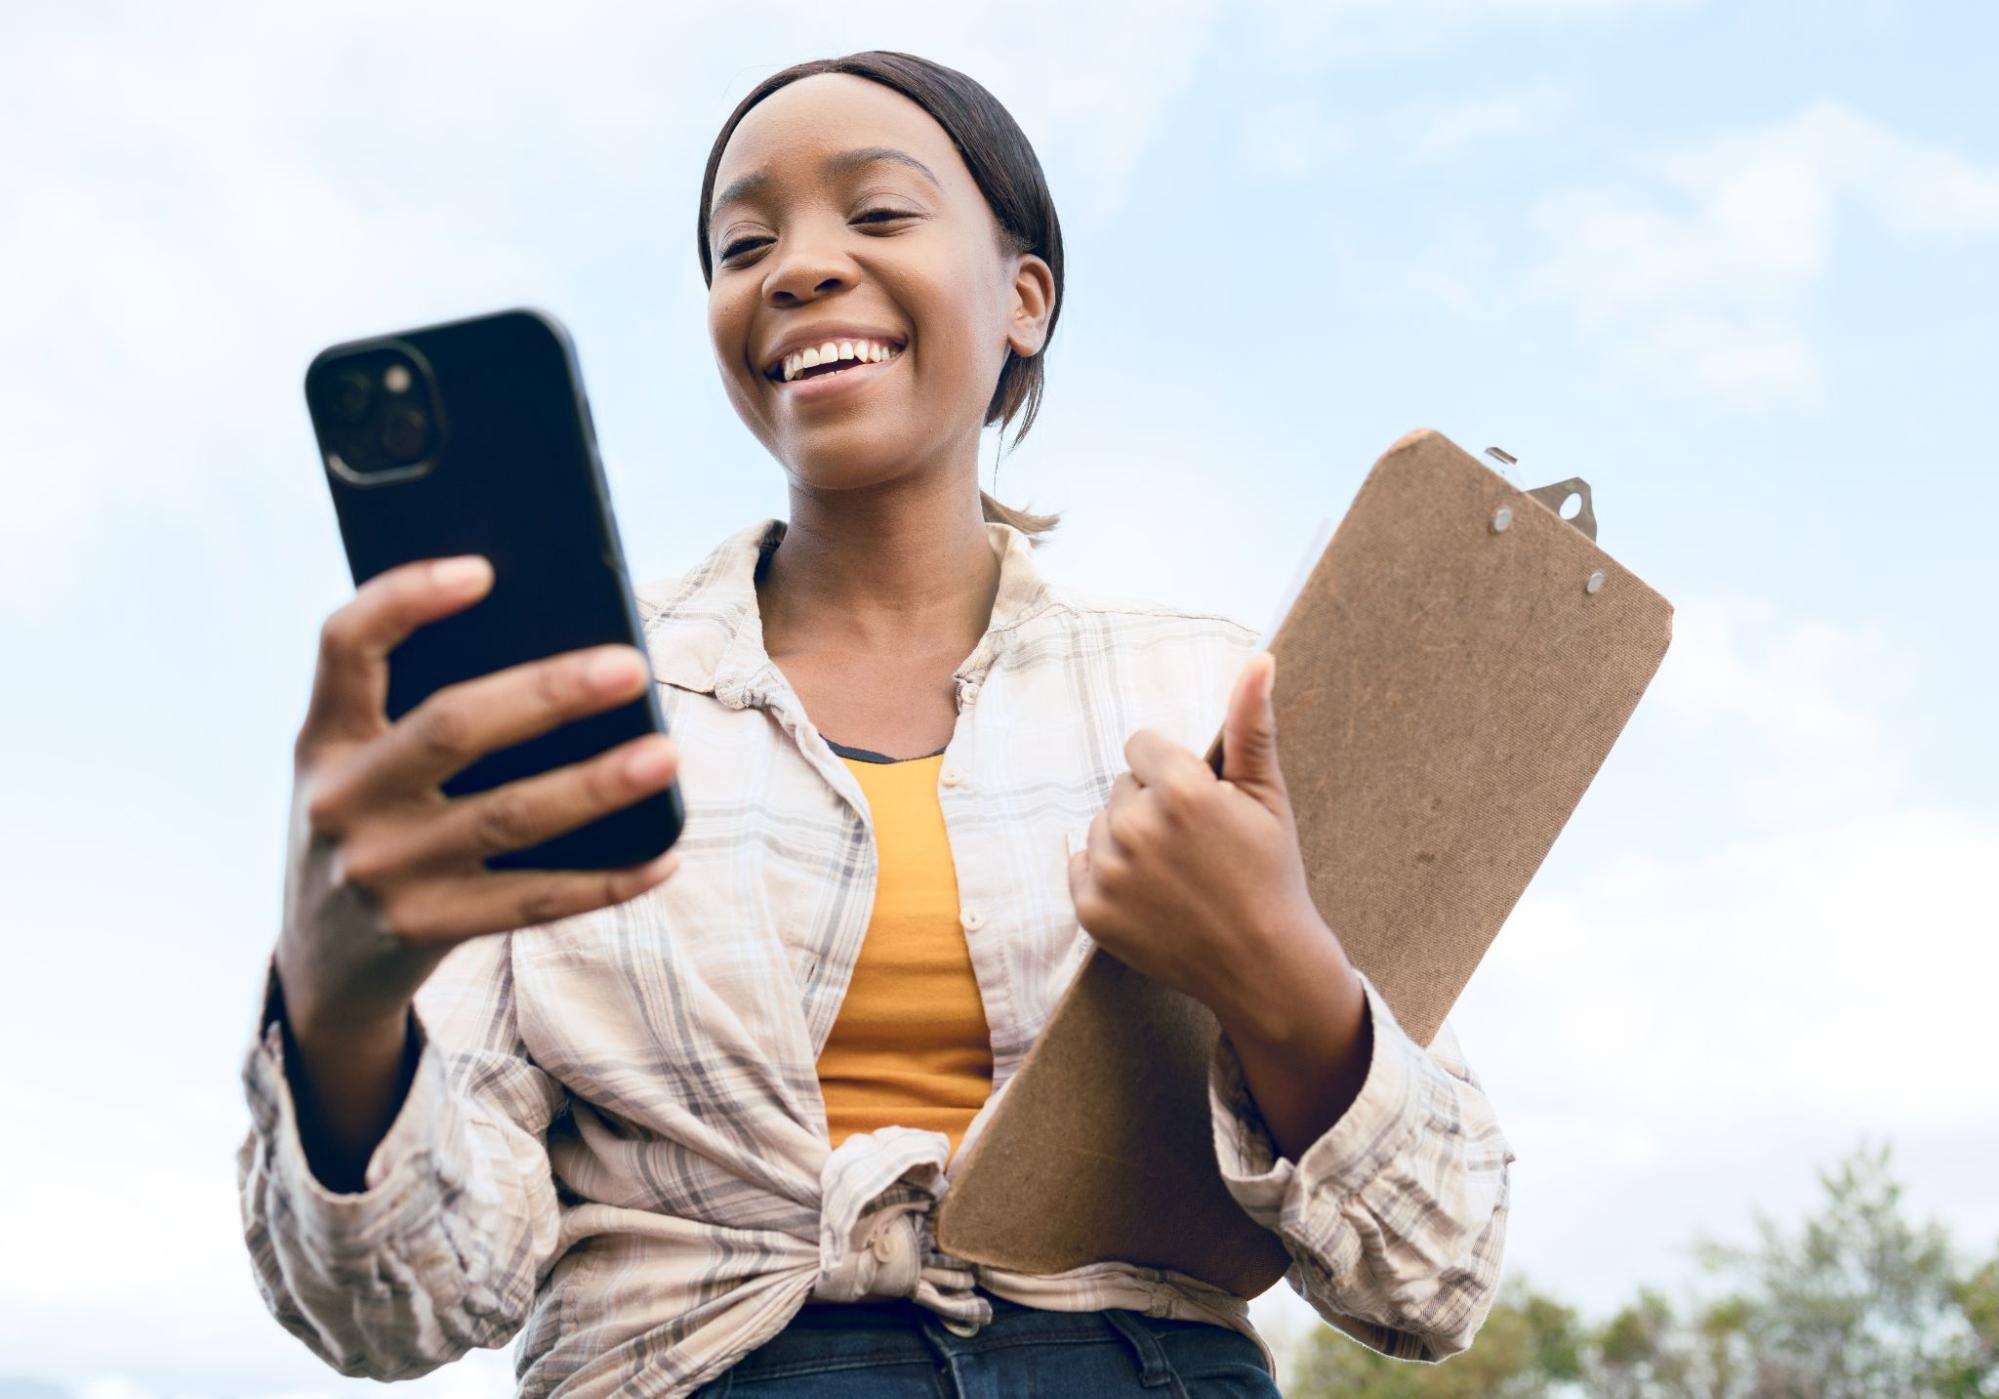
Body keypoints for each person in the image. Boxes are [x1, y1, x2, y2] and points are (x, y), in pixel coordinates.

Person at [237, 50, 1514, 1399]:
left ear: (1025, 298)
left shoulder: (1210, 696)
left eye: (880, 212)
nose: (796, 265)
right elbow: (400, 1313)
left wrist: (1277, 970)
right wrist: (337, 1009)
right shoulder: (576, 708)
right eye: (744, 243)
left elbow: (1433, 1269)